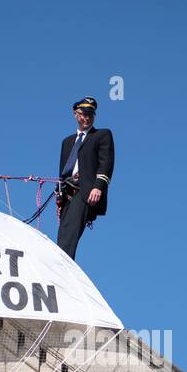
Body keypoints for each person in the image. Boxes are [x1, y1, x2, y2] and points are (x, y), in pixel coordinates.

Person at [55, 96, 114, 260]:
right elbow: (63, 172)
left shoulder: (101, 135)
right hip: (68, 193)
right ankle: (62, 263)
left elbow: (106, 163)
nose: (87, 118)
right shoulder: (67, 142)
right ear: (76, 114)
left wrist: (98, 187)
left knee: (69, 234)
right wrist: (59, 196)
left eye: (91, 114)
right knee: (64, 232)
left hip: (86, 190)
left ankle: (62, 267)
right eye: (84, 114)